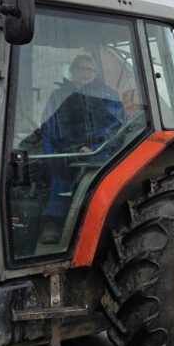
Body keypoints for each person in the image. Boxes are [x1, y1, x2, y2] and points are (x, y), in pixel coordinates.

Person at [39, 54, 124, 243]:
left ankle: (92, 227)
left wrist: (95, 148)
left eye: (89, 69)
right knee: (57, 175)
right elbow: (48, 127)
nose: (85, 73)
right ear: (72, 72)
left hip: (99, 152)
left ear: (95, 73)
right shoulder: (58, 95)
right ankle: (53, 223)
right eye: (80, 69)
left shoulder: (106, 95)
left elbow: (116, 128)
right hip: (66, 151)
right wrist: (58, 154)